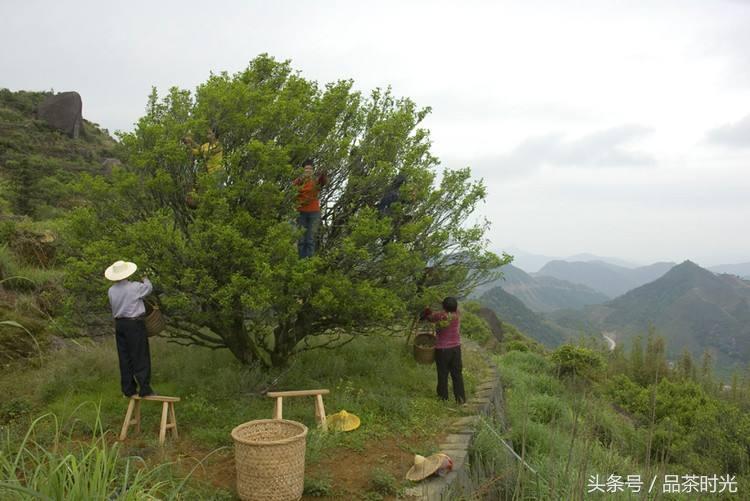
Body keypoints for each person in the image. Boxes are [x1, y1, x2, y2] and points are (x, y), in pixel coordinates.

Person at [105, 260, 155, 398]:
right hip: (134, 323)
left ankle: (128, 388)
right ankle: (144, 388)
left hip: (120, 324)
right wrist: (144, 277)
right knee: (140, 355)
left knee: (125, 356)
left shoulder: (111, 290)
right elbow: (149, 288)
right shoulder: (134, 287)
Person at [420, 296, 466, 404]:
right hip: (456, 349)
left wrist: (427, 309)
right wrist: (445, 303)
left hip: (442, 350)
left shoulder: (440, 315)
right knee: (457, 375)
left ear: (444, 307)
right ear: (455, 307)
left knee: (442, 374)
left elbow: (429, 317)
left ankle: (443, 399)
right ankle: (461, 399)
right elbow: (452, 307)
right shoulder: (457, 314)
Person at [293, 159, 327, 258]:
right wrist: (301, 179)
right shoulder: (299, 181)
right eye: (306, 168)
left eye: (310, 169)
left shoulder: (315, 181)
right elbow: (292, 188)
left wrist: (323, 173)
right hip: (301, 212)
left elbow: (323, 181)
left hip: (314, 213)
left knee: (310, 239)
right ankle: (301, 261)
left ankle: (309, 262)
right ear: (303, 170)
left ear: (313, 170)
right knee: (301, 239)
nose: (308, 170)